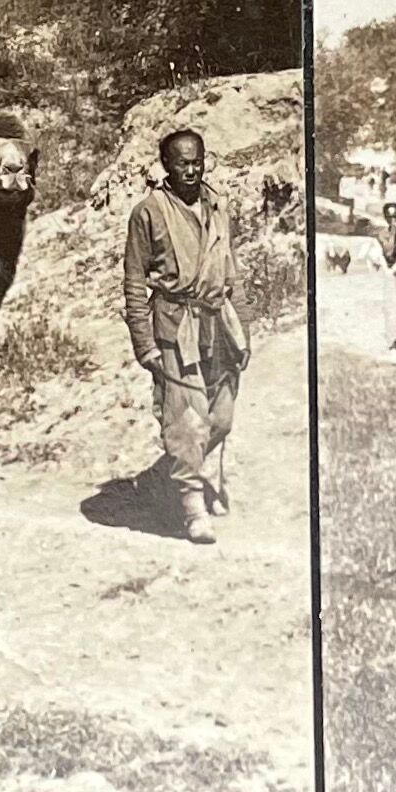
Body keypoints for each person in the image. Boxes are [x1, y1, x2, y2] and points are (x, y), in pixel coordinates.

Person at [123, 128, 248, 545]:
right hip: (175, 328)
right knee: (186, 421)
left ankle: (163, 474)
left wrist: (242, 328)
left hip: (219, 323)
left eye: (197, 161)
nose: (191, 170)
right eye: (182, 163)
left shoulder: (218, 206)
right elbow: (134, 283)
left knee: (222, 420)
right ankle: (193, 509)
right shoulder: (149, 212)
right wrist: (145, 344)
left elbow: (231, 271)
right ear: (166, 166)